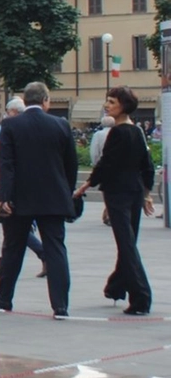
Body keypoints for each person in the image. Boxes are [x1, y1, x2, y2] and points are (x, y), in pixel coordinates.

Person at [0, 82, 77, 319]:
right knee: (56, 249)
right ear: (46, 100)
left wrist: (5, 198)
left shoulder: (11, 125)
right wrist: (67, 191)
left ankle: (5, 297)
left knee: (13, 248)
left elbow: (7, 164)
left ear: (24, 100)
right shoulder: (60, 125)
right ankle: (60, 305)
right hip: (54, 197)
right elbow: (70, 164)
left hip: (20, 197)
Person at [75, 87, 155, 315]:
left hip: (118, 193)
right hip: (135, 191)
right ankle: (116, 286)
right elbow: (146, 165)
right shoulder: (137, 131)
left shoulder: (117, 133)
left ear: (123, 106)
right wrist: (146, 193)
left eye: (112, 102)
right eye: (107, 101)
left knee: (126, 244)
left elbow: (106, 164)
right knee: (129, 240)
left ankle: (141, 298)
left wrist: (85, 185)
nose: (107, 105)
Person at [89, 116, 116, 225]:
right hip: (117, 167)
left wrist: (95, 165)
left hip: (103, 166)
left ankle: (109, 212)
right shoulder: (118, 132)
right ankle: (109, 212)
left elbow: (94, 152)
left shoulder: (98, 135)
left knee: (107, 191)